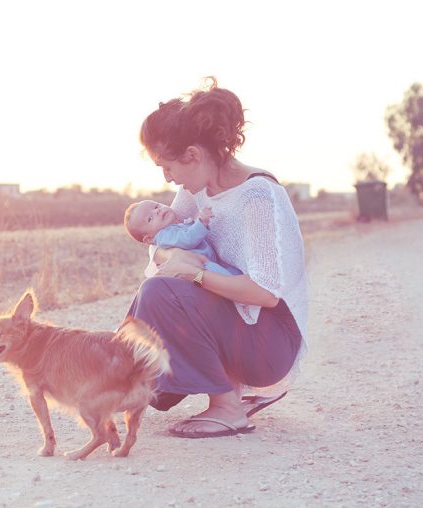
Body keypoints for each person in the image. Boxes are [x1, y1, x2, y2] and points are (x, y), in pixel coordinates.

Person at [125, 77, 308, 438]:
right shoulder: (196, 190)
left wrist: (194, 273)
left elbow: (265, 294)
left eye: (167, 166)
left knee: (161, 291)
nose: (168, 178)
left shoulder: (257, 195)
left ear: (193, 155)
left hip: (270, 341)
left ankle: (227, 408)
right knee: (159, 288)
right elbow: (160, 247)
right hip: (240, 326)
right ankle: (130, 374)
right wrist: (178, 260)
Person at [123, 199, 241, 278]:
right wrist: (201, 222)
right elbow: (188, 239)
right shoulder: (164, 236)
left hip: (210, 262)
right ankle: (239, 298)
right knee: (228, 279)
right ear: (149, 239)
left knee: (236, 273)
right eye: (150, 218)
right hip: (200, 268)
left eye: (156, 206)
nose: (157, 211)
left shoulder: (176, 227)